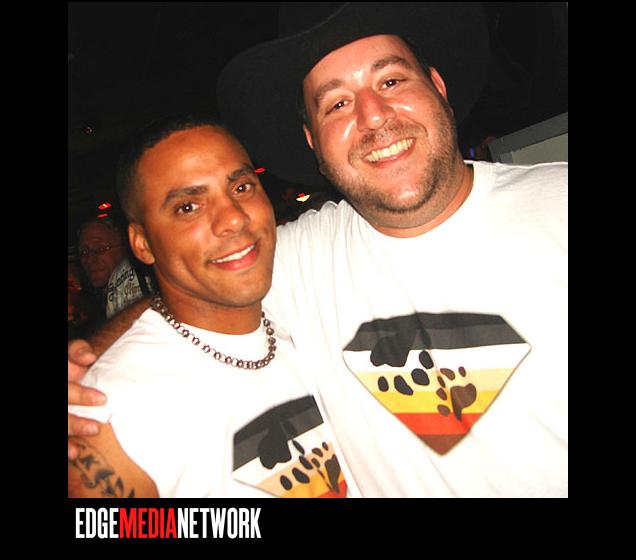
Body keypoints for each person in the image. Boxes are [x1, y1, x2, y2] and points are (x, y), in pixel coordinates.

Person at [69, 3, 567, 497]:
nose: (373, 116)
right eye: (337, 104)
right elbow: (190, 296)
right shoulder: (300, 259)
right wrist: (87, 363)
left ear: (438, 86)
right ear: (312, 140)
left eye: (391, 81)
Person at [68, 115, 352, 498]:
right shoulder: (112, 408)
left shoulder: (303, 313)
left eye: (242, 187)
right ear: (143, 244)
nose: (233, 217)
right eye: (188, 207)